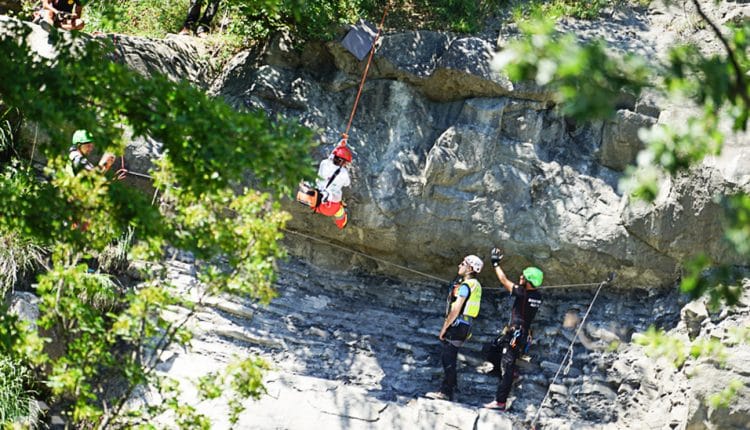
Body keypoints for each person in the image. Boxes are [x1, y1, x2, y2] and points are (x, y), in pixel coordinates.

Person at [483, 247, 543, 411]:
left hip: (516, 334)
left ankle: (500, 401)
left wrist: (495, 264)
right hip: (519, 334)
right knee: (492, 350)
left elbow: (504, 280)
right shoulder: (537, 296)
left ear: (529, 281)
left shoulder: (522, 293)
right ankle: (510, 375)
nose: (520, 277)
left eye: (523, 276)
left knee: (507, 365)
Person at [425, 255, 483, 401]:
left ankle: (446, 392)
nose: (459, 265)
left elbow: (456, 309)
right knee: (451, 355)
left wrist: (444, 328)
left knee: (448, 358)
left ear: (469, 268)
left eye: (463, 263)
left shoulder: (466, 286)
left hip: (457, 325)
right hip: (467, 324)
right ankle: (452, 387)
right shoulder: (475, 285)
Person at [296, 143, 352, 229]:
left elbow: (332, 157)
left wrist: (341, 144)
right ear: (343, 162)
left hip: (317, 202)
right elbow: (347, 183)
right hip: (330, 207)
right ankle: (341, 224)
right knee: (340, 209)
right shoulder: (344, 173)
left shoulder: (324, 163)